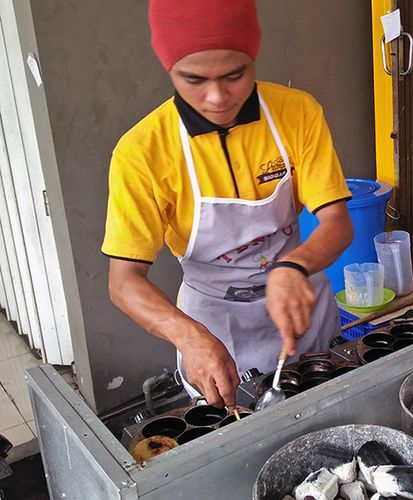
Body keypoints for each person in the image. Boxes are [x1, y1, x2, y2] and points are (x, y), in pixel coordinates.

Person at [102, 0, 353, 410]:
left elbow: (337, 222)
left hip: (300, 306)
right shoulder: (142, 152)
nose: (217, 97)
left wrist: (294, 266)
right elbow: (124, 281)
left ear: (253, 57)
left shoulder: (296, 113)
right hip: (212, 322)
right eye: (193, 79)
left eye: (235, 75)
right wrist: (188, 336)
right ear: (169, 70)